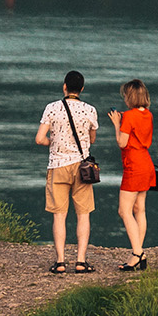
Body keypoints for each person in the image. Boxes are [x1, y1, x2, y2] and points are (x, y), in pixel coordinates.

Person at [35, 70, 98, 273]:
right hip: (82, 168)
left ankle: (60, 262)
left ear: (64, 87)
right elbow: (92, 139)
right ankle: (81, 261)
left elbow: (39, 139)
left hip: (57, 166)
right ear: (81, 89)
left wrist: (53, 144)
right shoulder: (90, 110)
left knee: (59, 215)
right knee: (83, 214)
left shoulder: (52, 108)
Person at [106, 79, 155, 271]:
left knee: (124, 211)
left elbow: (122, 143)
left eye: (125, 95)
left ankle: (137, 253)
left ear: (130, 97)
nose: (124, 98)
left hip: (133, 165)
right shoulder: (148, 115)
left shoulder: (129, 116)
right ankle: (138, 251)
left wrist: (117, 124)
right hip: (146, 163)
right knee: (139, 209)